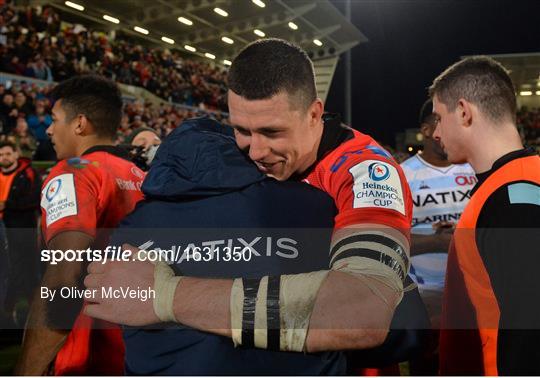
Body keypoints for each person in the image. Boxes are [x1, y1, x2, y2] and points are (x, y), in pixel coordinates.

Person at [84, 39, 415, 358]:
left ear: (314, 114)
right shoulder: (229, 155)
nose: (255, 151)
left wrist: (166, 296)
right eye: (241, 130)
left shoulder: (365, 172)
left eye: (272, 132)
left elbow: (361, 311)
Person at [15, 75, 145, 375]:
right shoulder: (141, 175)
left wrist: (27, 370)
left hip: (86, 355)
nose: (48, 129)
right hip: (134, 351)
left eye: (55, 119)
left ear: (79, 124)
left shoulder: (75, 172)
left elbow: (64, 278)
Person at [429, 56, 540, 375]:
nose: (436, 132)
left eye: (439, 117)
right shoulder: (510, 187)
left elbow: (528, 329)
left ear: (463, 112)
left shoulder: (511, 196)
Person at [401, 99, 476, 374]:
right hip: (424, 295)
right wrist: (436, 241)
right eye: (440, 123)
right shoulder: (403, 175)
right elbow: (391, 240)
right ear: (426, 129)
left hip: (470, 292)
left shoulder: (471, 170)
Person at [0, 141, 41, 316]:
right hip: (5, 228)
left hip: (22, 228)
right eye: (1, 155)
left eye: (8, 153)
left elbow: (34, 200)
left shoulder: (29, 173)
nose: (4, 157)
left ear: (16, 154)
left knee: (26, 266)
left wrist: (7, 205)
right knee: (8, 268)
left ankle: (28, 307)